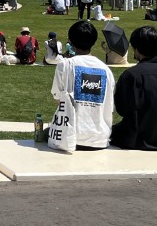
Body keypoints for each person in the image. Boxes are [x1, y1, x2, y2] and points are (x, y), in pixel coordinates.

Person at [47, 20, 115, 151]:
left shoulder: (65, 65)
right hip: (99, 139)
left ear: (70, 41)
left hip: (69, 137)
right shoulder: (106, 70)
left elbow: (57, 97)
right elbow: (109, 105)